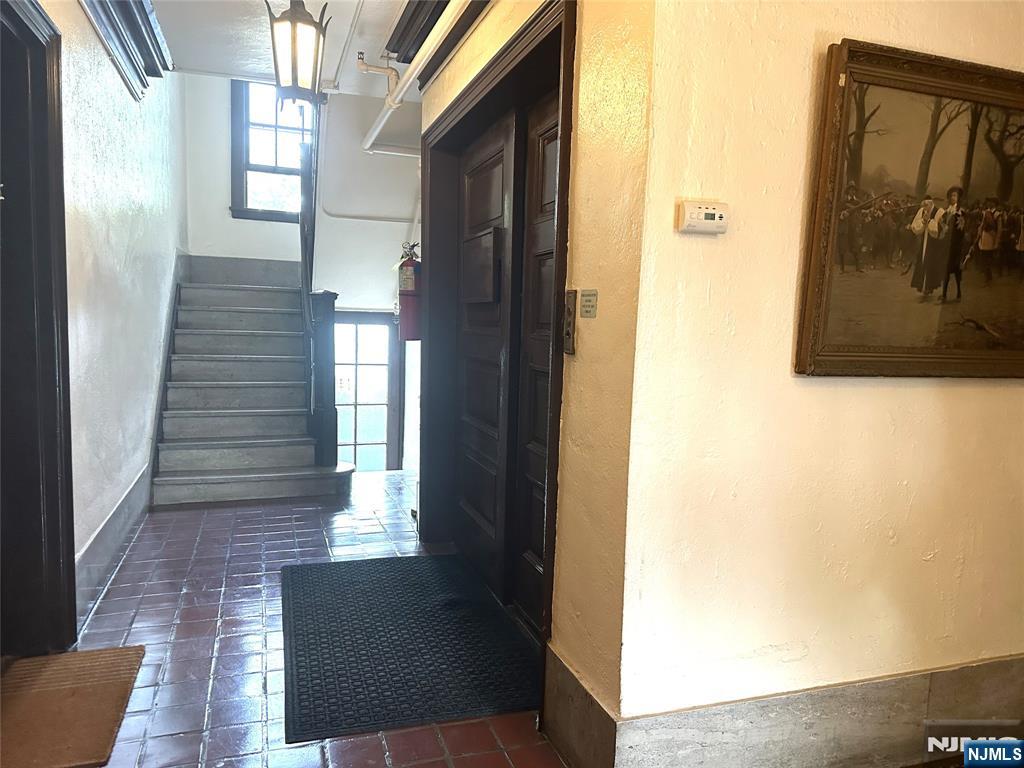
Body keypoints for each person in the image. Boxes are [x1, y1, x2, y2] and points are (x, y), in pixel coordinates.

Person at [910, 196, 945, 299]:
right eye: (924, 205)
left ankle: (929, 286)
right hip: (924, 240)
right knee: (923, 260)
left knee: (932, 263)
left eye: (927, 205)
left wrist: (929, 221)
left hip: (935, 242)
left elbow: (939, 229)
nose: (925, 208)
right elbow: (915, 226)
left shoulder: (939, 212)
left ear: (931, 203)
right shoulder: (921, 211)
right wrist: (923, 222)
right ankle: (922, 285)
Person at [940, 186, 967, 303]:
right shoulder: (947, 211)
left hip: (956, 245)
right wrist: (944, 227)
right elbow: (941, 222)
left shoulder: (960, 212)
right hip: (947, 244)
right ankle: (944, 294)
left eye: (955, 196)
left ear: (959, 198)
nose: (952, 198)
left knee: (956, 271)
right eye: (951, 196)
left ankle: (959, 292)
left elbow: (961, 229)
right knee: (946, 270)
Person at [974, 198, 1002, 284]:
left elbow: (999, 229)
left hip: (991, 238)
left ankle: (990, 276)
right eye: (989, 202)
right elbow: (982, 225)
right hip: (984, 237)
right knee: (984, 257)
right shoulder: (985, 213)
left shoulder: (997, 214)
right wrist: (978, 235)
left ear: (995, 204)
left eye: (991, 202)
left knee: (989, 258)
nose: (989, 203)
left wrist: (996, 241)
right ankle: (988, 276)